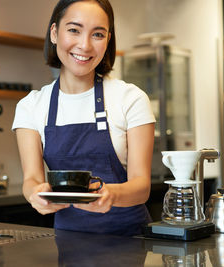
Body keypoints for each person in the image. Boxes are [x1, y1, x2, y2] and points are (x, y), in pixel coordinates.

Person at [12, 0, 155, 235]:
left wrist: (111, 195)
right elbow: (31, 179)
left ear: (108, 40)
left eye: (97, 34)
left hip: (130, 241)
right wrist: (35, 195)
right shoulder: (31, 106)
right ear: (55, 33)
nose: (85, 45)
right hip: (69, 241)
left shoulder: (131, 98)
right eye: (74, 30)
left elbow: (141, 187)